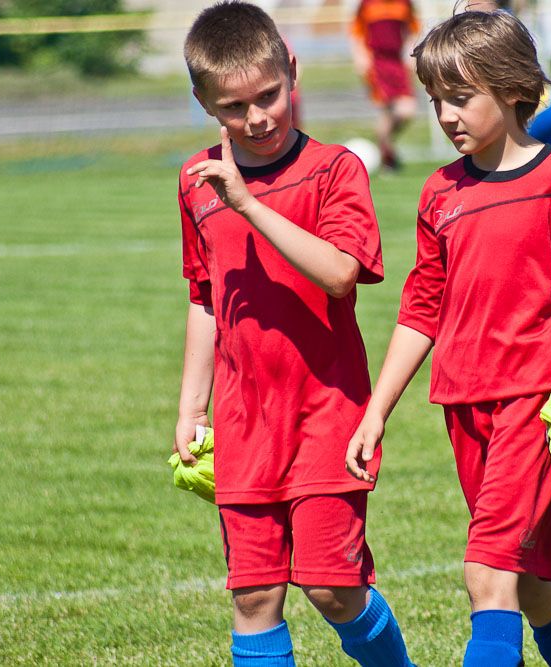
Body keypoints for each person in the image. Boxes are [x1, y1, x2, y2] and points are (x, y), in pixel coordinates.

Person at [346, 10, 551, 667]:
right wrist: (376, 410)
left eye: (461, 98)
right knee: (533, 587)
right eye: (436, 99)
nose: (444, 115)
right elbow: (422, 308)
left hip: (538, 399)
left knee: (486, 573)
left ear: (514, 88)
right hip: (464, 403)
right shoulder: (440, 192)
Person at [175, 3, 413, 665]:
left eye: (269, 96)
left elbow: (340, 273)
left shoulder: (336, 169)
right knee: (253, 594)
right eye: (234, 107)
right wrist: (192, 406)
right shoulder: (197, 182)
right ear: (205, 105)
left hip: (327, 415)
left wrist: (247, 204)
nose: (257, 118)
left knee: (333, 587)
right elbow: (205, 296)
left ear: (293, 74)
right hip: (245, 420)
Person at [350, 0, 420, 170]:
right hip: (377, 64)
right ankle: (388, 157)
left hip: (397, 63)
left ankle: (384, 144)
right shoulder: (367, 4)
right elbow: (356, 33)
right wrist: (360, 57)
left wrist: (411, 53)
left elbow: (413, 29)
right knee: (386, 110)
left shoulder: (404, 3)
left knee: (407, 110)